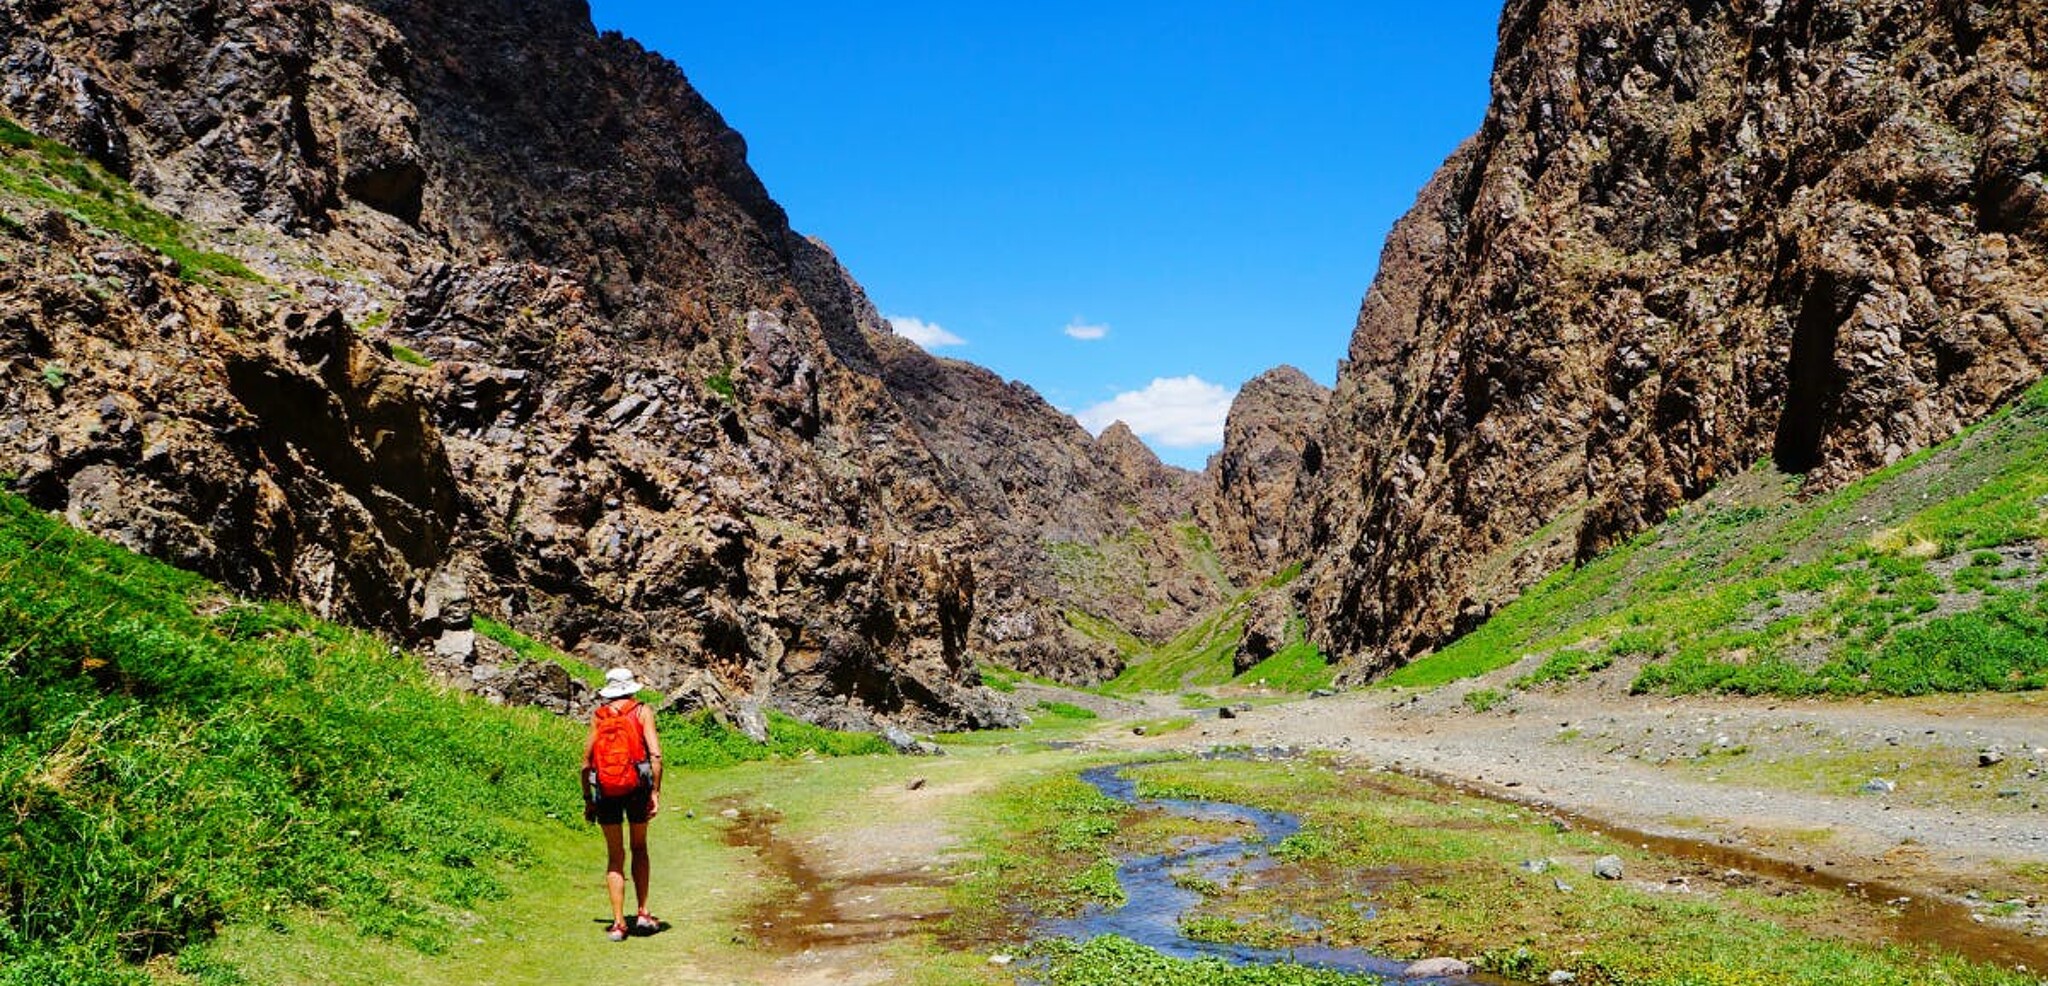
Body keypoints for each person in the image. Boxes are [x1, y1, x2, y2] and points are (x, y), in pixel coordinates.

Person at [585, 666, 663, 941]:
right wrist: (655, 791)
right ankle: (643, 912)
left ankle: (618, 924)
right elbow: (655, 756)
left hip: (605, 789)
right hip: (637, 788)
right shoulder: (642, 712)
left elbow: (586, 763)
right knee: (639, 847)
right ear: (631, 688)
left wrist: (588, 800)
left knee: (614, 855)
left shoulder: (599, 716)